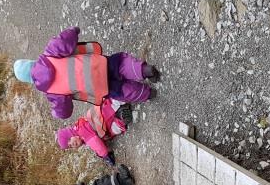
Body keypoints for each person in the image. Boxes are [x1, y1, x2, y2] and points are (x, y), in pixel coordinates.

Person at [12, 26, 160, 119]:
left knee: (121, 91)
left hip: (97, 87)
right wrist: (74, 31)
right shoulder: (48, 55)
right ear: (31, 62)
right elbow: (63, 40)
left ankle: (147, 93)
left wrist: (56, 114)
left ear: (29, 81)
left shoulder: (51, 93)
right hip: (96, 64)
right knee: (120, 63)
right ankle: (144, 70)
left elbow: (64, 111)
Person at [56, 98, 131, 167]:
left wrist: (105, 156)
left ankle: (120, 116)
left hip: (105, 117)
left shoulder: (83, 134)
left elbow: (97, 144)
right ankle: (120, 107)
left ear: (71, 133)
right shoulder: (79, 125)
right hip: (102, 112)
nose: (72, 144)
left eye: (69, 140)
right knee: (111, 106)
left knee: (114, 127)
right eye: (70, 146)